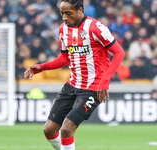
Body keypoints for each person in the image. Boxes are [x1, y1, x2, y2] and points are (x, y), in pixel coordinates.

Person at [24, 0, 125, 150]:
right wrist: (42, 67)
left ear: (80, 10)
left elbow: (119, 52)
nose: (64, 17)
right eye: (62, 14)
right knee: (49, 130)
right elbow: (65, 57)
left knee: (66, 128)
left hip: (93, 87)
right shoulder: (63, 29)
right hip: (72, 84)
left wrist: (105, 80)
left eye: (68, 13)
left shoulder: (95, 27)